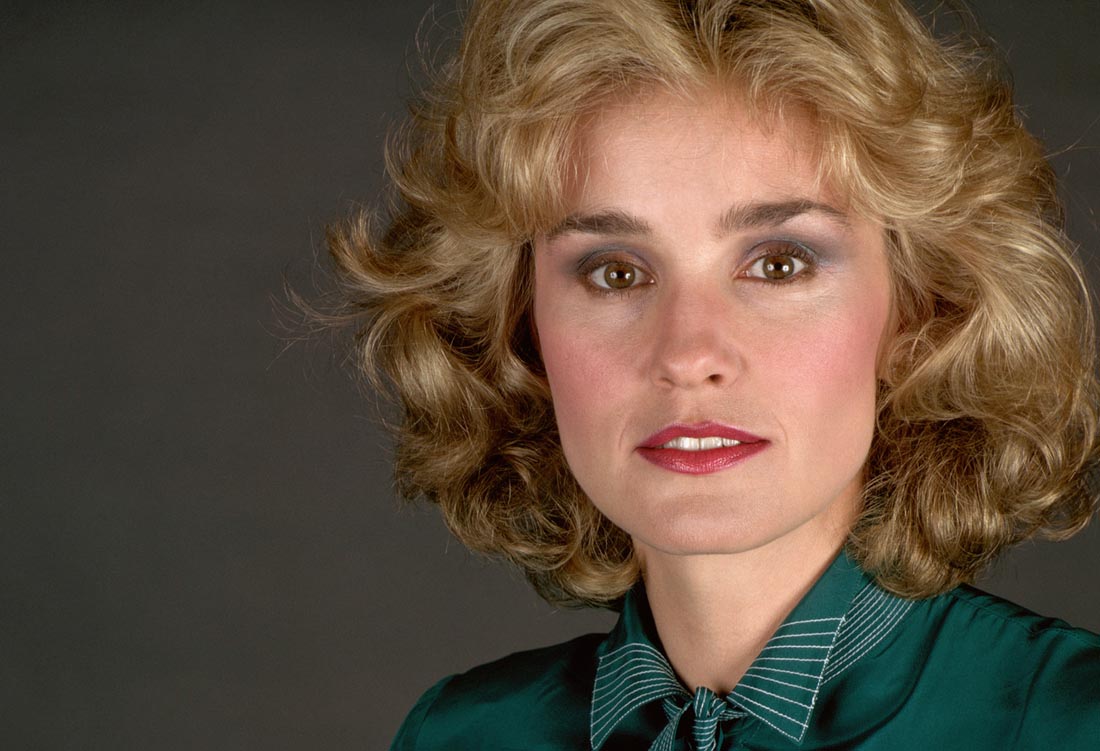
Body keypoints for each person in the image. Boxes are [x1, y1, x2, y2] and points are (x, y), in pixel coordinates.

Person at [326, 0, 1100, 747]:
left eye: (779, 263)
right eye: (615, 272)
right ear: (520, 326)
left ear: (919, 310)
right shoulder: (464, 735)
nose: (688, 355)